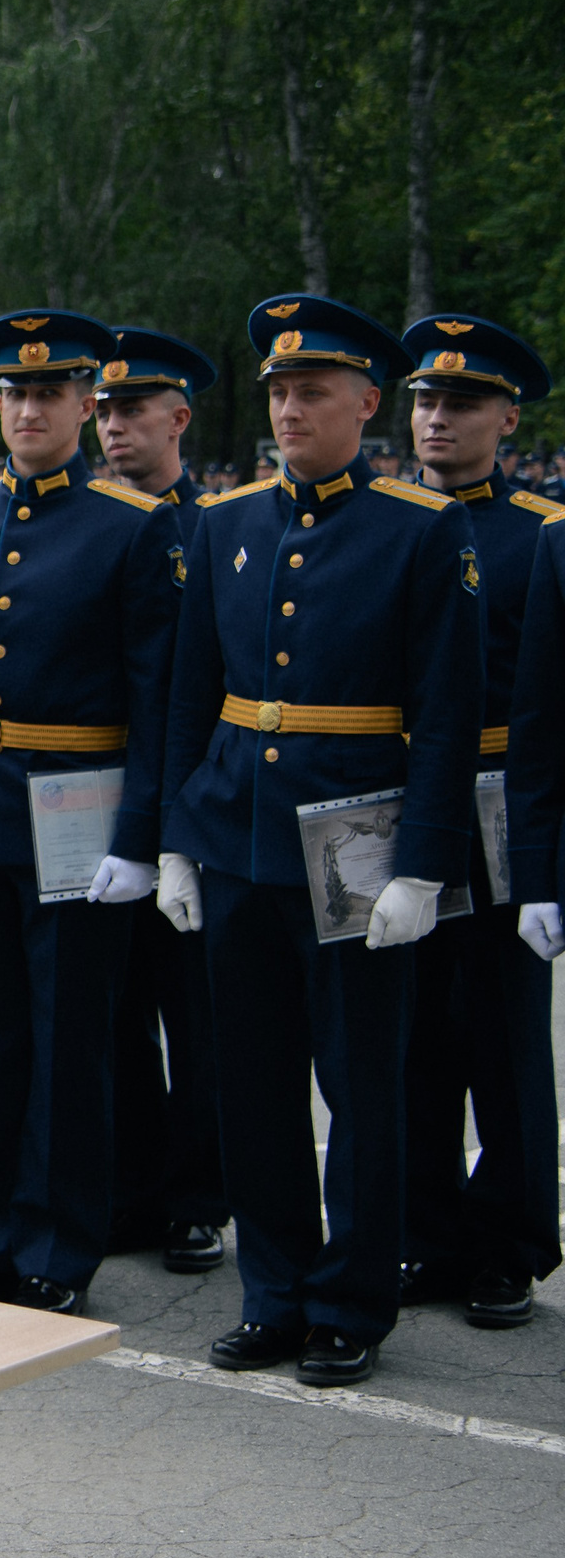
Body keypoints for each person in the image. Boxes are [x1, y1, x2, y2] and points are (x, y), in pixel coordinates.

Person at [160, 294, 475, 1387]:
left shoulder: (420, 531)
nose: (290, 408)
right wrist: (171, 842)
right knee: (249, 1084)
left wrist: (423, 866)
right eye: (280, 391)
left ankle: (352, 1298)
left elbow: (443, 717)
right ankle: (276, 1290)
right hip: (237, 837)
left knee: (360, 1086)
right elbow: (190, 693)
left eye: (313, 391)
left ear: (365, 403)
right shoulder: (225, 520)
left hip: (356, 842)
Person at [0, 312, 181, 1317]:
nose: (30, 408)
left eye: (50, 394)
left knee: (67, 1042)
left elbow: (156, 698)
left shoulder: (130, 526)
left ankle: (60, 1244)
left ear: (82, 405)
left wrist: (138, 838)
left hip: (79, 813)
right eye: (14, 394)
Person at [396, 315, 560, 1331]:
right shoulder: (385, 520)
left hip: (504, 801)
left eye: (461, 405)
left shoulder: (537, 532)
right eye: (425, 401)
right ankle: (425, 1228)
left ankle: (506, 1242)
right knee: (407, 1033)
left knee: (500, 1036)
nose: (439, 420)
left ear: (506, 417)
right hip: (399, 804)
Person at [89, 327, 231, 1275]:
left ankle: (198, 1198)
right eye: (103, 410)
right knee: (115, 1015)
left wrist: (179, 828)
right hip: (92, 808)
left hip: (190, 812)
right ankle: (136, 1186)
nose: (114, 427)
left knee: (199, 1020)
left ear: (179, 418)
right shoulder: (91, 522)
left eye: (133, 410)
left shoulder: (212, 526)